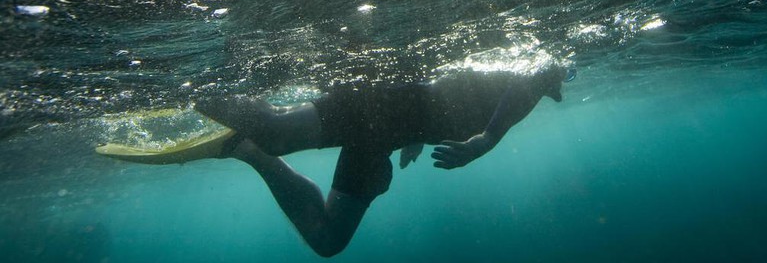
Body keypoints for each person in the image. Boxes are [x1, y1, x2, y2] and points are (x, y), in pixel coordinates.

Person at [193, 62, 570, 257]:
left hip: (385, 137)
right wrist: (487, 140)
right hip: (375, 103)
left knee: (328, 241)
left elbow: (447, 102)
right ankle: (192, 91)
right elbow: (533, 73)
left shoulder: (515, 97)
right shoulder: (525, 83)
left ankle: (249, 152)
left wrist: (418, 138)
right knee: (273, 131)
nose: (560, 92)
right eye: (559, 83)